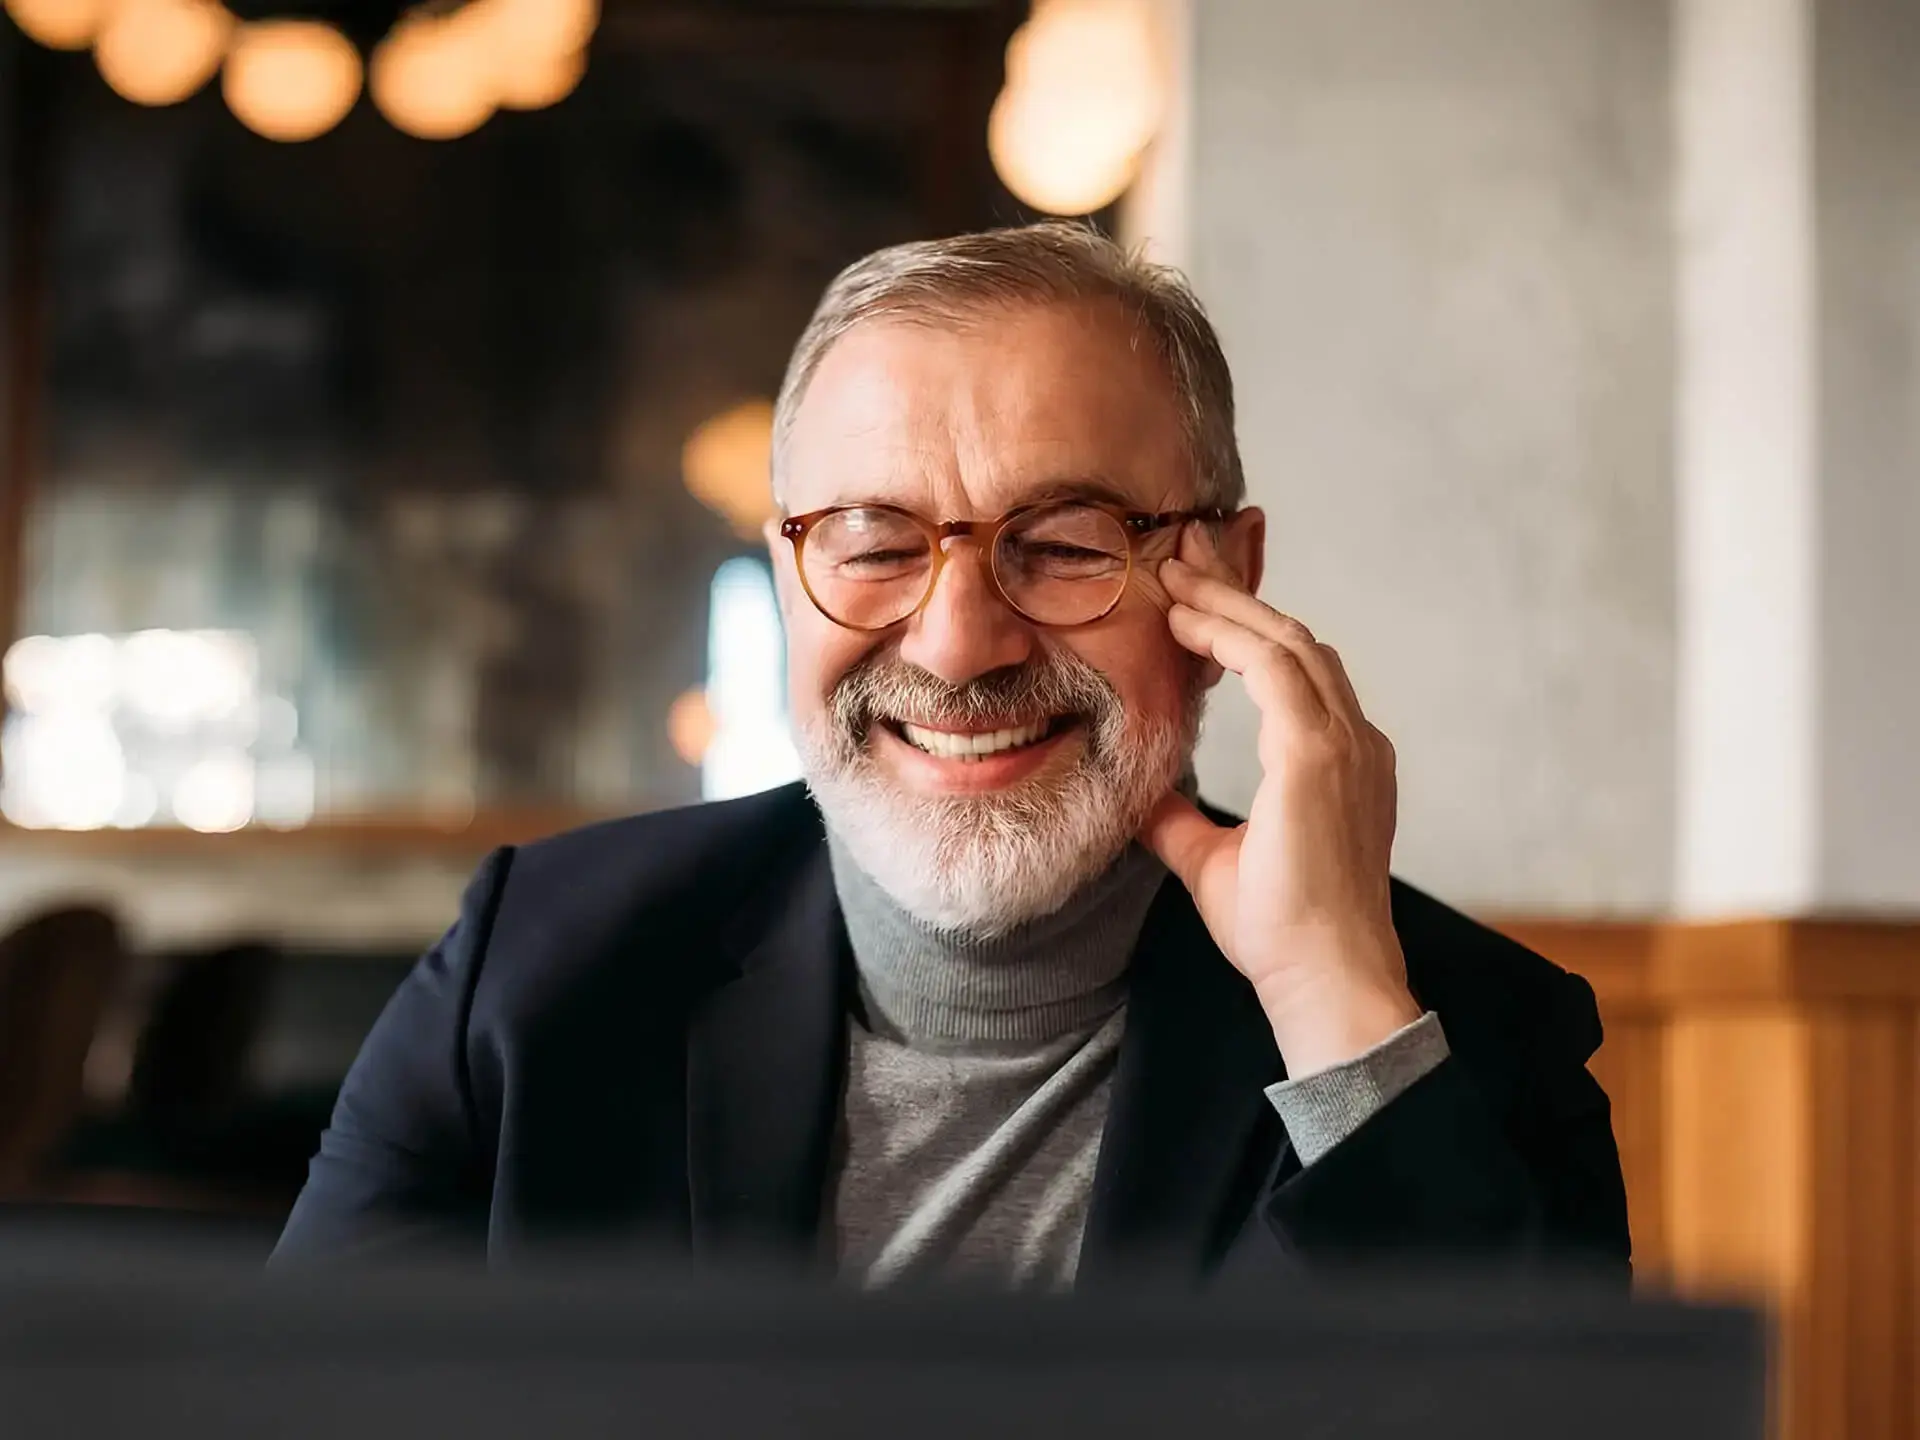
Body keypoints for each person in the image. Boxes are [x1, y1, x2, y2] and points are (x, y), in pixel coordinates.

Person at [274, 224, 1630, 1286]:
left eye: (1065, 544)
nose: (961, 644)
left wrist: (1333, 1004)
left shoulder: (1468, 1042)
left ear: (1228, 580)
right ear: (787, 579)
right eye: (872, 543)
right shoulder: (531, 970)